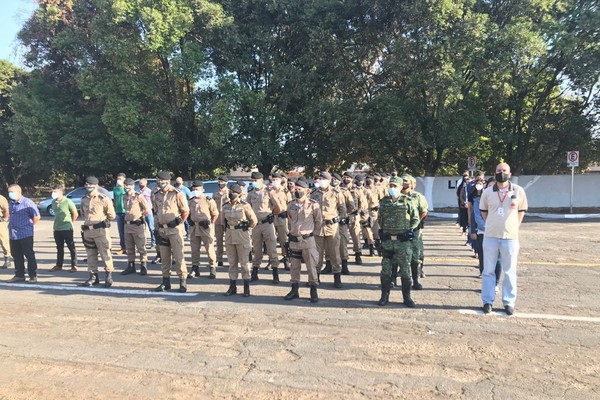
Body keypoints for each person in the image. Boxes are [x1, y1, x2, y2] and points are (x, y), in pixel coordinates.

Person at [479, 162, 528, 315]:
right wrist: (493, 224)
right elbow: (483, 212)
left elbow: (521, 211)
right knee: (488, 271)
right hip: (491, 237)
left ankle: (509, 302)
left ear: (510, 174)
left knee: (509, 271)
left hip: (510, 237)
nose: (501, 173)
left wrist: (514, 225)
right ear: (495, 173)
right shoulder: (487, 192)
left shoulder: (518, 191)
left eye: (504, 170)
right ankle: (487, 301)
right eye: (498, 170)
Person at [376, 177, 420, 307]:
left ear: (401, 187)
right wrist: (382, 231)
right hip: (388, 241)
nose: (392, 188)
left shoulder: (407, 201)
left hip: (403, 241)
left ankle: (407, 298)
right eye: (390, 185)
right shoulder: (384, 202)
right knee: (385, 270)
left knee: (405, 270)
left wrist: (410, 230)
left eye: (395, 186)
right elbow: (380, 218)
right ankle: (384, 296)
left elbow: (415, 218)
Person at [284, 179, 322, 303]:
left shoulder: (313, 205)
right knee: (294, 267)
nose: (297, 191)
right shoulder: (291, 205)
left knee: (311, 266)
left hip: (307, 240)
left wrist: (312, 236)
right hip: (294, 240)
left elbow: (318, 222)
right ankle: (294, 290)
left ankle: (313, 290)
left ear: (306, 191)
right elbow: (289, 220)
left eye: (300, 189)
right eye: (296, 189)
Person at [152, 171, 190, 292]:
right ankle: (165, 281)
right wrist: (157, 229)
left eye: (161, 180)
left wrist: (179, 222)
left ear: (167, 181)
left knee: (179, 257)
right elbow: (156, 211)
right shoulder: (156, 194)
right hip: (162, 229)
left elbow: (185, 211)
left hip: (175, 230)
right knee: (165, 257)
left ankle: (182, 281)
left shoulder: (177, 194)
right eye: (158, 180)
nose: (159, 182)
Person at [310, 171, 346, 288]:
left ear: (329, 180)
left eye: (323, 178)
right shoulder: (313, 193)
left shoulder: (336, 193)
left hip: (332, 227)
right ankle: (316, 278)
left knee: (334, 253)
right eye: (319, 178)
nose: (320, 180)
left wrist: (338, 219)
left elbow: (343, 209)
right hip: (318, 228)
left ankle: (337, 277)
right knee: (317, 254)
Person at [80, 176, 116, 287]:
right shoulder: (84, 199)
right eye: (87, 184)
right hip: (88, 231)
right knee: (90, 255)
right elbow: (83, 214)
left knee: (105, 253)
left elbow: (112, 215)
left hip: (100, 230)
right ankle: (93, 276)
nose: (88, 186)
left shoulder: (103, 198)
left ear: (96, 185)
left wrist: (103, 221)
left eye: (90, 184)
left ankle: (108, 275)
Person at [222, 183, 257, 297]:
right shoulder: (225, 206)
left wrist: (247, 228)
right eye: (230, 192)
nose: (232, 194)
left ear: (239, 194)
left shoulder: (244, 205)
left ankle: (246, 287)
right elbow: (223, 222)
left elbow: (254, 220)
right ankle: (233, 287)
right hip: (229, 236)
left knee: (244, 263)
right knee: (232, 263)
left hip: (242, 235)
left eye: (234, 193)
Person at [247, 171, 281, 283]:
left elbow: (278, 207)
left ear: (261, 181)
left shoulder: (269, 192)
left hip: (267, 224)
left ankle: (275, 273)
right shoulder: (250, 193)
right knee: (256, 249)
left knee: (272, 249)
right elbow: (247, 208)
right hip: (256, 225)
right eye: (252, 181)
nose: (253, 183)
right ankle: (255, 272)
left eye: (255, 181)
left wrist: (271, 215)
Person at [469, 177, 502, 287]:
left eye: (494, 185)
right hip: (484, 233)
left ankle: (495, 283)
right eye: (490, 185)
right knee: (483, 257)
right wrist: (475, 230)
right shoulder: (479, 199)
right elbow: (476, 217)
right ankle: (486, 281)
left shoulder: (502, 199)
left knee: (497, 259)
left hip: (498, 233)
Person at [5, 185, 40, 283]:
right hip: (13, 234)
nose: (10, 194)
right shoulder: (11, 203)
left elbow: (36, 217)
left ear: (18, 191)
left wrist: (28, 226)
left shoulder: (27, 203)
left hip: (25, 234)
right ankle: (19, 275)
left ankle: (33, 275)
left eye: (11, 191)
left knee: (29, 255)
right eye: (9, 192)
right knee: (16, 255)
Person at [187, 181, 219, 279]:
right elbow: (187, 212)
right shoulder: (191, 201)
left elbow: (215, 214)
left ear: (202, 190)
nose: (195, 191)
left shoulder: (209, 200)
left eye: (197, 189)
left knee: (209, 249)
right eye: (194, 189)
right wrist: (190, 221)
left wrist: (210, 222)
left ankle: (212, 267)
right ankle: (195, 268)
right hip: (194, 228)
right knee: (194, 250)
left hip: (205, 228)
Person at [121, 178, 149, 276]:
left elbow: (147, 209)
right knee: (129, 247)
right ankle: (131, 265)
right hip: (127, 225)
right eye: (125, 185)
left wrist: (140, 217)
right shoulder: (124, 196)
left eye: (129, 185)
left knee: (141, 246)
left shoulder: (139, 196)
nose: (127, 187)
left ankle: (143, 265)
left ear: (133, 186)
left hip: (137, 225)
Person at [49, 184, 78, 272]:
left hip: (66, 228)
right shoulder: (53, 202)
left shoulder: (68, 201)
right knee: (59, 247)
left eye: (55, 192)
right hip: (57, 228)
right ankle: (59, 265)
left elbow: (75, 214)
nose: (53, 193)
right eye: (52, 191)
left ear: (61, 192)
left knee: (71, 247)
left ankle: (74, 265)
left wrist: (71, 223)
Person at [332, 173, 355, 274]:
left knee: (342, 244)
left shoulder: (344, 192)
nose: (333, 181)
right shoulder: (326, 192)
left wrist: (345, 216)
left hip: (341, 222)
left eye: (335, 179)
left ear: (339, 181)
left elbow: (351, 206)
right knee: (330, 246)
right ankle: (329, 264)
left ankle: (344, 266)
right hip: (329, 223)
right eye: (332, 179)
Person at [270, 173, 291, 271]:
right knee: (271, 240)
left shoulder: (286, 191)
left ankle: (286, 259)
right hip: (271, 218)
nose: (274, 181)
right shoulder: (268, 191)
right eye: (273, 179)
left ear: (280, 180)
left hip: (282, 218)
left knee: (284, 241)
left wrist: (287, 213)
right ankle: (272, 260)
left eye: (276, 179)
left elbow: (291, 205)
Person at [212, 175, 229, 267]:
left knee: (229, 240)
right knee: (219, 241)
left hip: (227, 219)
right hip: (218, 220)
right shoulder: (215, 193)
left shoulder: (230, 192)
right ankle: (219, 258)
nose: (220, 183)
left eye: (222, 182)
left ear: (226, 182)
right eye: (219, 182)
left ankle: (231, 258)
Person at [138, 178, 156, 248]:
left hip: (149, 212)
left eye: (142, 184)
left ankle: (153, 242)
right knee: (141, 229)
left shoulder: (150, 192)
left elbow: (153, 201)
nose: (140, 185)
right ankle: (142, 243)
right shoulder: (137, 192)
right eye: (139, 184)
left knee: (151, 228)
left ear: (146, 183)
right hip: (140, 213)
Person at [113, 173, 127, 254]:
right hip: (119, 212)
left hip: (126, 212)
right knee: (121, 232)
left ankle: (130, 247)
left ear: (124, 179)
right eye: (118, 179)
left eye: (120, 179)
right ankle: (123, 248)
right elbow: (114, 199)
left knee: (128, 231)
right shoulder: (115, 189)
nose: (119, 180)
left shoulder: (126, 188)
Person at [0, 193, 13, 269]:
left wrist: (5, 219)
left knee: (3, 240)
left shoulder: (1, 198)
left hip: (0, 222)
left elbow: (6, 209)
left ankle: (7, 258)